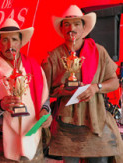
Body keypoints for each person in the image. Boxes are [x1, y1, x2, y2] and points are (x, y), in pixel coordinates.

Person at [42, 5, 123, 163]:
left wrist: (96, 87)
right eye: (67, 24)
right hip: (67, 125)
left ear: (84, 27)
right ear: (62, 28)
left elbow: (114, 82)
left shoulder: (99, 52)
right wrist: (63, 91)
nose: (71, 28)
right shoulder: (53, 57)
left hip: (96, 121)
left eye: (76, 24)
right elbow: (45, 91)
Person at [0, 18, 52, 162]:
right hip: (1, 142)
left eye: (14, 40)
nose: (10, 45)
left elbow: (45, 98)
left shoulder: (33, 66)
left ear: (20, 42)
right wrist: (0, 105)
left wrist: (45, 111)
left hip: (32, 137)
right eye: (5, 40)